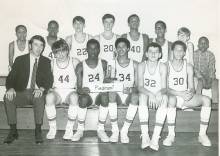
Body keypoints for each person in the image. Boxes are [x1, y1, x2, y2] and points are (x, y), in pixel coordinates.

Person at [4, 35, 53, 144]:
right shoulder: (20, 60)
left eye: (41, 45)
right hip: (21, 91)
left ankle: (38, 130)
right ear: (30, 45)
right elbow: (11, 77)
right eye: (36, 44)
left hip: (36, 92)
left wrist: (41, 88)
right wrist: (11, 88)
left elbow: (49, 79)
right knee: (8, 98)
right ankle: (13, 131)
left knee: (40, 97)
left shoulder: (46, 61)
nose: (38, 48)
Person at [163, 41, 212, 147]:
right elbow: (164, 88)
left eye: (181, 50)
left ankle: (202, 135)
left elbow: (191, 87)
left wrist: (189, 93)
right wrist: (179, 93)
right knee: (171, 99)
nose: (179, 52)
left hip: (185, 96)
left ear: (184, 53)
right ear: (172, 51)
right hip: (173, 96)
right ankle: (171, 135)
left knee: (207, 100)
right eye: (176, 50)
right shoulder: (166, 65)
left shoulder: (188, 66)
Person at [72, 39, 109, 142]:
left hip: (99, 95)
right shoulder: (80, 66)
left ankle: (101, 129)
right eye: (90, 49)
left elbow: (108, 82)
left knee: (105, 97)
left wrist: (106, 86)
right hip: (87, 96)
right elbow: (78, 88)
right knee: (83, 99)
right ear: (86, 50)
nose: (93, 51)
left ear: (99, 50)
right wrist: (81, 90)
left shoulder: (104, 64)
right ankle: (80, 129)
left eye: (95, 48)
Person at [45, 39, 79, 140]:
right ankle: (52, 128)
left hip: (70, 90)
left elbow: (82, 77)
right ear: (54, 54)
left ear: (67, 50)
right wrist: (49, 87)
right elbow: (47, 78)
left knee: (74, 97)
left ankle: (69, 128)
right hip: (58, 91)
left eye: (63, 51)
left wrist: (78, 87)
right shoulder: (52, 63)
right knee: (49, 97)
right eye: (57, 52)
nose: (61, 54)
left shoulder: (74, 61)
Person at [138, 42, 168, 151]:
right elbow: (140, 87)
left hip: (158, 94)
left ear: (160, 54)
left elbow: (164, 87)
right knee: (141, 97)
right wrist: (150, 94)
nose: (153, 54)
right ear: (146, 53)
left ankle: (155, 137)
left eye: (156, 52)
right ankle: (145, 136)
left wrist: (159, 93)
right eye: (150, 51)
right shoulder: (141, 65)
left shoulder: (163, 66)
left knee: (165, 98)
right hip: (146, 94)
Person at [108, 38, 139, 143]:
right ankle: (115, 130)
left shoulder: (135, 64)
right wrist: (110, 76)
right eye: (118, 47)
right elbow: (106, 82)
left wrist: (131, 90)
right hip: (116, 94)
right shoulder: (111, 63)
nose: (121, 49)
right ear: (115, 49)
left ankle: (124, 130)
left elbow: (139, 86)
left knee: (136, 96)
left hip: (128, 93)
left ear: (128, 48)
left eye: (123, 47)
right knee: (111, 93)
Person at [194, 37, 218, 103]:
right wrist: (201, 77)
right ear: (198, 45)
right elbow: (195, 68)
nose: (203, 45)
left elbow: (212, 67)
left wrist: (211, 77)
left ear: (208, 45)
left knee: (215, 82)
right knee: (199, 82)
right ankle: (197, 101)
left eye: (205, 43)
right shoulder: (194, 54)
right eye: (201, 43)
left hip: (208, 77)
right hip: (198, 77)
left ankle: (215, 102)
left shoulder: (211, 55)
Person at [94, 14, 120, 78]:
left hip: (114, 67)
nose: (108, 24)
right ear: (103, 23)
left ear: (113, 24)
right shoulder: (97, 38)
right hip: (100, 67)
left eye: (110, 22)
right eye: (106, 22)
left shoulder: (118, 37)